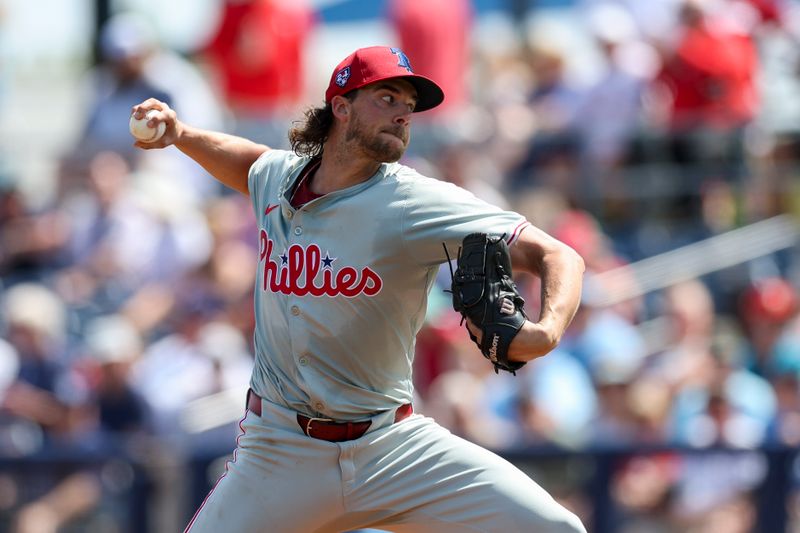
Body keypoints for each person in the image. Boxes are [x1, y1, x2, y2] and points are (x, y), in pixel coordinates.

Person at [131, 46, 586, 533]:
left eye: (408, 106)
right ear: (341, 106)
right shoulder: (279, 179)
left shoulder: (414, 200)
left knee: (557, 529)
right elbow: (249, 164)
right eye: (387, 98)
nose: (402, 114)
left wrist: (548, 329)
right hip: (280, 453)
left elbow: (559, 255)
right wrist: (181, 135)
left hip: (391, 449)